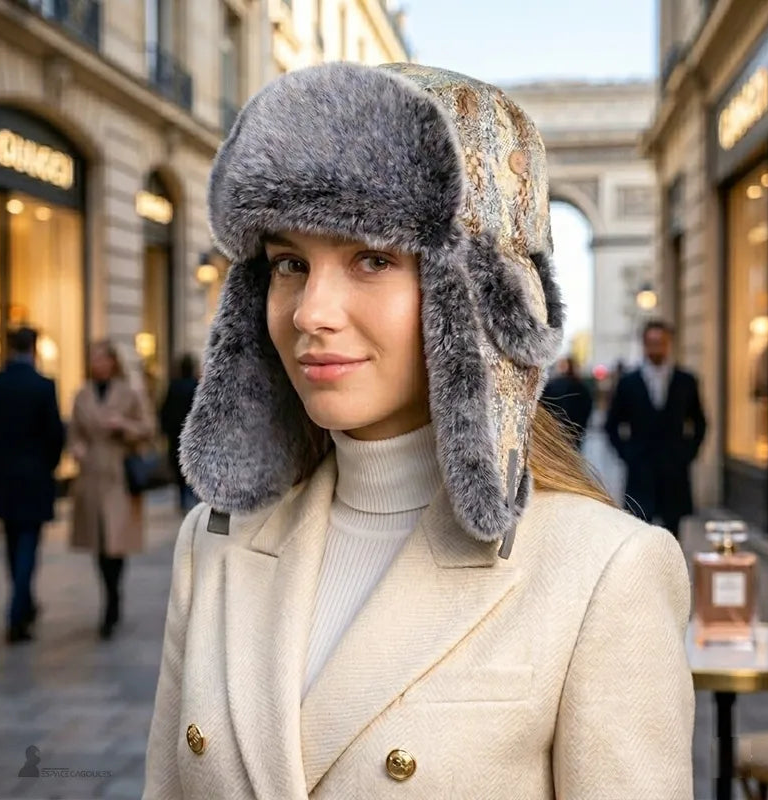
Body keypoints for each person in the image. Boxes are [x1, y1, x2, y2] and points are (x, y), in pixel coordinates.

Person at [144, 64, 694, 798]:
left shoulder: (603, 574)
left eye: (372, 258)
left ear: (474, 294)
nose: (311, 312)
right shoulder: (211, 544)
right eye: (288, 263)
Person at [0, 327, 64, 644]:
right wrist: (48, 465)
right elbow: (55, 433)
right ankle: (18, 610)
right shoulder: (42, 386)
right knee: (28, 543)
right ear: (34, 348)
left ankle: (23, 603)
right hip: (36, 475)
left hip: (5, 475)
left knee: (13, 543)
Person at [68, 340, 155, 639]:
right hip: (91, 476)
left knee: (116, 543)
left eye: (103, 360)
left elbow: (148, 429)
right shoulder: (82, 394)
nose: (98, 365)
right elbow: (74, 432)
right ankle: (109, 594)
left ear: (113, 363)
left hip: (120, 476)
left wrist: (123, 425)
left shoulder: (128, 393)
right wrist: (76, 447)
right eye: (94, 360)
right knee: (98, 543)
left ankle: (113, 599)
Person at [605, 320, 706, 538]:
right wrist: (627, 454)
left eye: (661, 342)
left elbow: (700, 422)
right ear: (644, 344)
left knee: (674, 537)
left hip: (674, 474)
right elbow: (611, 425)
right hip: (640, 473)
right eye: (651, 343)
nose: (656, 348)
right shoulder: (628, 383)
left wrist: (687, 454)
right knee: (640, 537)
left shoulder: (686, 381)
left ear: (669, 344)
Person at [159, 353, 200, 513]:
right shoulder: (196, 386)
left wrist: (165, 429)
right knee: (194, 465)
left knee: (179, 467)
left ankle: (183, 499)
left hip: (176, 434)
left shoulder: (173, 386)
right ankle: (192, 497)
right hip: (193, 434)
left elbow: (165, 410)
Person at [540, 356, 593, 448]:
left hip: (554, 430)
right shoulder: (581, 387)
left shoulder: (553, 385)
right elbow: (587, 407)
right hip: (575, 431)